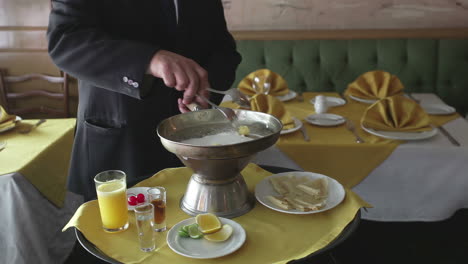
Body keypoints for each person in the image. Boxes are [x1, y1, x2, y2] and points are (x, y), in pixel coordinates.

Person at [47, 0, 241, 201]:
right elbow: (65, 40)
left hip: (193, 143)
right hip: (121, 142)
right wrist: (148, 60)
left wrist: (206, 86)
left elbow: (223, 50)